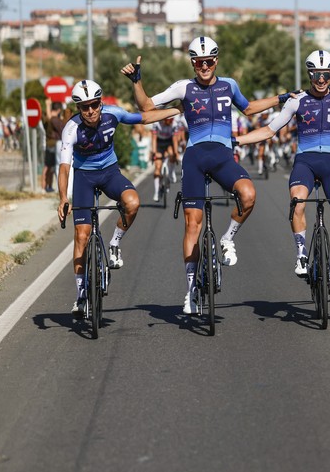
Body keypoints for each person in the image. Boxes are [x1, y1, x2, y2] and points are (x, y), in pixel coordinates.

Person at [120, 36, 290, 314]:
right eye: (198, 62)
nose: (204, 66)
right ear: (192, 63)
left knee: (248, 195)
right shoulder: (184, 87)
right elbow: (148, 107)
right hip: (196, 158)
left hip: (224, 156)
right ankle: (190, 290)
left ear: (216, 60)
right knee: (192, 225)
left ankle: (227, 238)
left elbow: (248, 108)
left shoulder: (229, 85)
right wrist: (137, 82)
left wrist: (280, 99)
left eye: (209, 61)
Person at [235, 50, 330, 296]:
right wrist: (237, 141)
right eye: (315, 74)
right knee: (297, 202)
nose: (321, 79)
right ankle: (301, 254)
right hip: (306, 163)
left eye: (325, 74)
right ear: (309, 74)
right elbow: (270, 130)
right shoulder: (296, 100)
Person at [57, 80, 147, 317]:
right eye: (84, 107)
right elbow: (65, 167)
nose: (90, 111)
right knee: (81, 236)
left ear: (101, 102)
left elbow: (144, 118)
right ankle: (80, 296)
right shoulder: (71, 129)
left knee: (132, 203)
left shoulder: (112, 114)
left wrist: (179, 109)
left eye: (94, 105)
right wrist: (63, 198)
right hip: (84, 178)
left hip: (110, 173)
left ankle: (115, 243)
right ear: (78, 108)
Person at [150, 116, 181, 200]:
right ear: (163, 120)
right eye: (168, 122)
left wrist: (176, 153)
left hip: (169, 142)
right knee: (157, 168)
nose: (169, 124)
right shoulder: (156, 123)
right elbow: (154, 139)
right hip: (159, 143)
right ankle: (156, 192)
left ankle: (171, 172)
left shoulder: (174, 124)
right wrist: (154, 153)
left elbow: (175, 140)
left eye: (171, 121)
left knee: (172, 154)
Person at [42, 102, 65, 192]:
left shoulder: (54, 119)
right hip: (51, 145)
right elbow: (49, 118)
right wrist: (48, 105)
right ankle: (44, 188)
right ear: (59, 110)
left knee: (51, 168)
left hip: (53, 144)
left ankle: (49, 187)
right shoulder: (52, 119)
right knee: (48, 167)